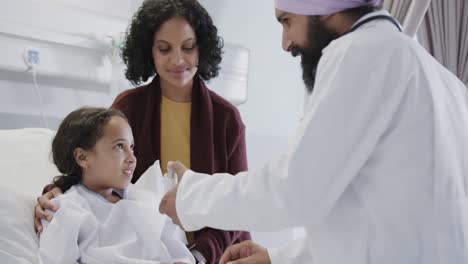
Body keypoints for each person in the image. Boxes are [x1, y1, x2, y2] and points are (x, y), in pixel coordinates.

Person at [159, 0, 468, 263]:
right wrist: (279, 258)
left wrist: (190, 196)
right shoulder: (444, 80)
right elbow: (370, 214)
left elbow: (293, 190)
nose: (285, 43)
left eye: (287, 22)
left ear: (323, 10)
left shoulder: (361, 51)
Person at [34, 0, 251, 263]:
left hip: (218, 251)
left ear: (201, 48)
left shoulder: (225, 118)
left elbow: (237, 202)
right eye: (164, 49)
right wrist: (54, 195)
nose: (177, 60)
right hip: (148, 248)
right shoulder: (129, 108)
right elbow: (95, 165)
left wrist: (198, 256)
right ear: (149, 51)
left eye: (188, 47)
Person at [38, 107, 194, 264]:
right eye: (119, 146)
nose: (132, 158)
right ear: (83, 157)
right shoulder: (65, 209)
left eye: (131, 147)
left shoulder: (145, 200)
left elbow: (177, 250)